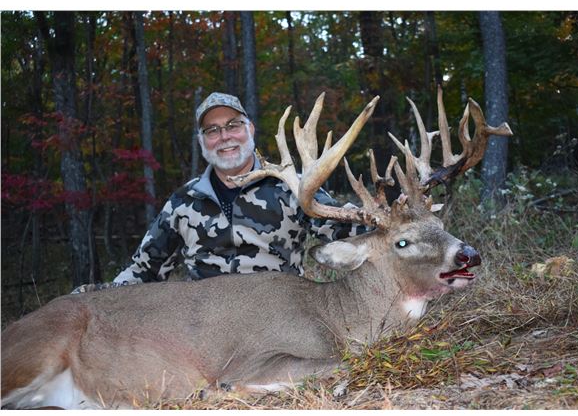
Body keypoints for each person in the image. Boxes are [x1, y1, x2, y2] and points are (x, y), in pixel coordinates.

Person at [74, 91, 362, 292]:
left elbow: (344, 229)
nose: (224, 136)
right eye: (212, 130)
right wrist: (98, 296)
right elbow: (144, 270)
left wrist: (378, 216)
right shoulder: (183, 202)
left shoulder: (292, 187)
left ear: (250, 129)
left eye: (233, 125)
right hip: (205, 325)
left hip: (279, 317)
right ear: (202, 141)